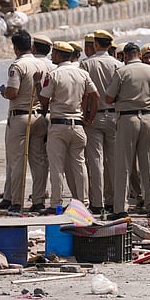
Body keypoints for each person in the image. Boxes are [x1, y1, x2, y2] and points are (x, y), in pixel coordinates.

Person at [105, 42, 150, 217]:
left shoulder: (122, 72)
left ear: (124, 56)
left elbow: (109, 98)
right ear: (139, 54)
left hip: (127, 118)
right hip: (148, 117)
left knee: (123, 164)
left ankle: (121, 207)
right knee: (149, 162)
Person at [39, 41, 98, 209]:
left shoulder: (54, 74)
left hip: (58, 125)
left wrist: (39, 87)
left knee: (57, 167)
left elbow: (44, 98)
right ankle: (83, 203)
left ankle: (56, 203)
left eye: (54, 54)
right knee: (80, 165)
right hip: (78, 125)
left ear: (58, 55)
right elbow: (95, 95)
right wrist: (89, 118)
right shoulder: (82, 74)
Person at [1, 31, 48, 215]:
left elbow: (13, 92)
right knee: (38, 161)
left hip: (21, 116)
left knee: (17, 161)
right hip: (39, 116)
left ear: (15, 47)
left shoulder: (17, 66)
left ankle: (16, 201)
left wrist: (5, 92)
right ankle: (38, 200)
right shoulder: (42, 64)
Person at [81, 30, 120, 214]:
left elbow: (85, 93)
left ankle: (98, 202)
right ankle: (114, 200)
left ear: (96, 44)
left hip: (93, 117)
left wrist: (86, 114)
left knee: (95, 160)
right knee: (114, 160)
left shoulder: (87, 64)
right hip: (114, 115)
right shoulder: (118, 65)